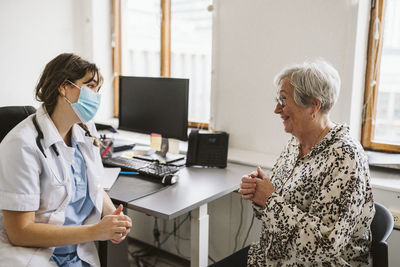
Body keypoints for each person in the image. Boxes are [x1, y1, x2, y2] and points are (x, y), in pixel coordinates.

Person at [215, 59, 374, 266]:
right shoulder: (295, 145)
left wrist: (270, 199)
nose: (277, 110)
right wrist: (258, 192)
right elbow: (276, 210)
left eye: (283, 100)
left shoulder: (346, 157)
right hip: (274, 257)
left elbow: (324, 247)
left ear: (314, 105)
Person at [0, 53, 132, 267]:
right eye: (90, 86)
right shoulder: (21, 144)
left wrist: (112, 218)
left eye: (97, 90)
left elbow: (96, 186)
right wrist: (95, 231)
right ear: (64, 87)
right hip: (35, 255)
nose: (96, 97)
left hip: (78, 252)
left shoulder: (85, 129)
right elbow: (19, 232)